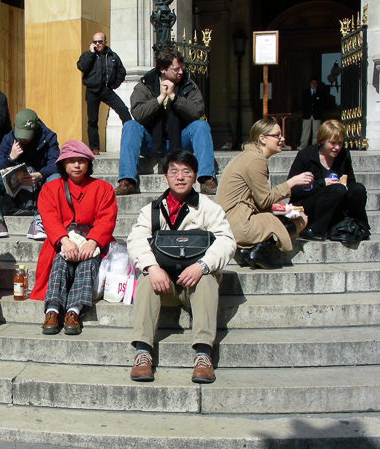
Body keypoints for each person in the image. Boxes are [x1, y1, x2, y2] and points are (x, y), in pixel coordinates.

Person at [127, 150, 236, 384]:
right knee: (145, 278)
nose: (180, 177)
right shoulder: (152, 210)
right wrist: (152, 267)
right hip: (165, 286)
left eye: (186, 171)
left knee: (207, 278)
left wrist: (202, 265)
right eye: (174, 171)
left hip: (194, 286)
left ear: (195, 176)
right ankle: (142, 352)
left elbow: (226, 241)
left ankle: (203, 355)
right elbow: (136, 240)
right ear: (165, 177)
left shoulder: (209, 208)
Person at [29, 140, 117, 335]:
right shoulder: (50, 189)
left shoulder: (104, 188)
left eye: (81, 161)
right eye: (71, 161)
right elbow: (49, 218)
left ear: (88, 164)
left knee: (88, 261)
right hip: (61, 242)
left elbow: (107, 219)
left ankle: (74, 312)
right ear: (63, 164)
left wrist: (93, 241)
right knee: (60, 262)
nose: (76, 165)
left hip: (93, 241)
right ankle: (52, 310)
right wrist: (64, 241)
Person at [115, 49, 217, 196]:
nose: (180, 72)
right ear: (163, 69)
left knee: (201, 125)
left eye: (181, 68)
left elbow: (197, 111)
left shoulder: (188, 85)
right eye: (176, 69)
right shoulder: (145, 85)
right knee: (130, 125)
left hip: (180, 141)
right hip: (152, 142)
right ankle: (127, 181)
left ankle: (207, 179)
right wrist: (160, 98)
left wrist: (175, 97)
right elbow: (138, 114)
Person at [216, 119, 313, 270]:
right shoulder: (256, 160)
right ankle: (258, 250)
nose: (282, 139)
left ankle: (247, 250)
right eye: (277, 135)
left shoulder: (250, 156)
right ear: (262, 138)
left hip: (232, 221)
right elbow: (264, 201)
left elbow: (259, 202)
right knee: (301, 219)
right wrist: (291, 183)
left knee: (291, 215)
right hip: (238, 225)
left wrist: (284, 209)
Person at [0, 109, 60, 239]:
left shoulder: (49, 137)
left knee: (56, 178)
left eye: (27, 135)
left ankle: (39, 221)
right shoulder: (8, 138)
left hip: (39, 182)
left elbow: (56, 165)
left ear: (36, 128)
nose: (23, 138)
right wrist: (10, 158)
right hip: (14, 184)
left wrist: (41, 174)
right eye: (21, 134)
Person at [288, 119, 368, 241]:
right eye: (332, 143)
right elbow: (294, 190)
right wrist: (322, 183)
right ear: (322, 141)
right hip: (309, 203)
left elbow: (351, 181)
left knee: (358, 189)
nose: (337, 147)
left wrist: (346, 186)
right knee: (337, 189)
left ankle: (359, 226)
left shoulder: (344, 155)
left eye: (340, 143)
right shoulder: (306, 155)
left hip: (336, 203)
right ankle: (313, 229)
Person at [76, 32, 131, 155]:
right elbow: (82, 67)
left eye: (100, 41)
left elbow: (121, 71)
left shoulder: (112, 56)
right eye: (95, 41)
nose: (97, 44)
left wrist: (114, 85)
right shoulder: (87, 55)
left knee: (123, 111)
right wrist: (91, 54)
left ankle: (130, 140)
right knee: (92, 120)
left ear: (105, 42)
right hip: (92, 90)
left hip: (106, 90)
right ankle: (94, 147)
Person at [299, 78, 324, 150]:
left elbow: (322, 103)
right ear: (310, 84)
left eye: (315, 83)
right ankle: (303, 145)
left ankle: (315, 146)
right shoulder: (306, 92)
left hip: (316, 115)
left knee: (316, 131)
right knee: (305, 131)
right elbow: (303, 102)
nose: (314, 84)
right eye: (312, 83)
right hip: (307, 114)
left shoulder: (320, 92)